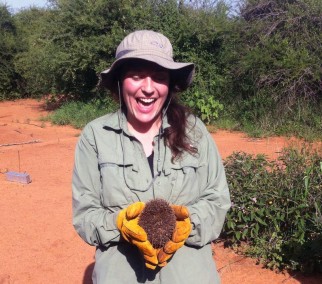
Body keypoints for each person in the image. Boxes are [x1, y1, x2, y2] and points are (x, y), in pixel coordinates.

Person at [72, 30, 231, 284]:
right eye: (136, 76)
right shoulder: (95, 136)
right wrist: (118, 224)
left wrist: (187, 224)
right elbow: (85, 215)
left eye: (159, 77)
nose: (148, 88)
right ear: (120, 82)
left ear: (169, 85)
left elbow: (218, 200)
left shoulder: (194, 131)